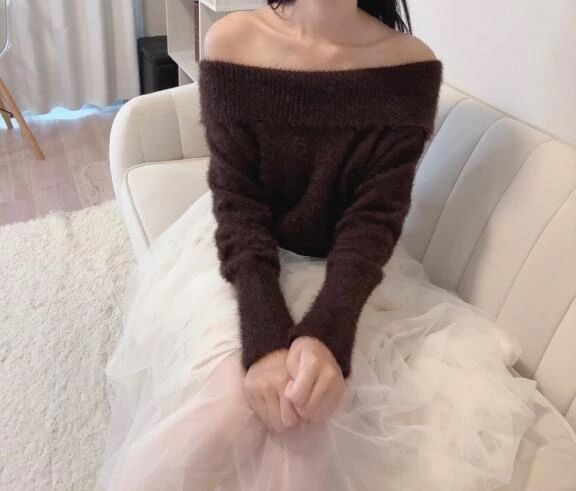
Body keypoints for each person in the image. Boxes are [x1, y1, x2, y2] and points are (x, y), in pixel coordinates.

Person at [96, 1, 537, 490]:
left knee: (304, 426)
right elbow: (237, 203)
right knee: (221, 412)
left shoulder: (409, 66)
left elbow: (373, 221)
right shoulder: (232, 40)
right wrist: (264, 337)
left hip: (343, 272)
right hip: (242, 255)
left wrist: (328, 333)